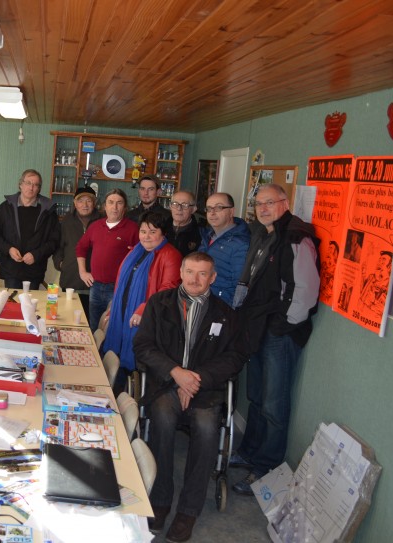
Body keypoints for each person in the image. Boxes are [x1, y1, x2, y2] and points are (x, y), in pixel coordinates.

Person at [134, 252, 246, 542]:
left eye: (203, 273)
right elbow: (143, 346)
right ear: (181, 273)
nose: (195, 279)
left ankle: (188, 510)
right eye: (190, 272)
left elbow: (235, 357)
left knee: (208, 429)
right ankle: (160, 499)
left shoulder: (226, 314)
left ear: (213, 278)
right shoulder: (159, 304)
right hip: (165, 385)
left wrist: (196, 379)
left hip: (205, 390)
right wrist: (176, 374)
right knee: (161, 419)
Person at [230, 183, 320, 495]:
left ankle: (265, 467)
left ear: (286, 203)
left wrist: (280, 327)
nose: (264, 208)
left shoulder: (295, 237)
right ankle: (249, 452)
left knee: (273, 403)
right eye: (259, 203)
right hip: (257, 328)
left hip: (279, 334)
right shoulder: (262, 233)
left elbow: (305, 291)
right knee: (256, 395)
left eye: (270, 202)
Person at [101, 210, 182, 394]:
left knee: (133, 365)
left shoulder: (170, 255)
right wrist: (114, 307)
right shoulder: (136, 251)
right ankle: (116, 393)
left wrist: (143, 308)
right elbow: (123, 283)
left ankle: (126, 398)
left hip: (147, 319)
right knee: (118, 361)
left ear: (164, 233)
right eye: (143, 231)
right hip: (123, 314)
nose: (146, 236)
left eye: (153, 232)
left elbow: (168, 290)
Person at [75, 188, 139, 330]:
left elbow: (141, 258)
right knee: (94, 327)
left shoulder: (133, 229)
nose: (114, 207)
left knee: (112, 328)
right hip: (95, 286)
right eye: (111, 202)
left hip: (118, 288)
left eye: (119, 203)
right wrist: (82, 272)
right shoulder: (95, 226)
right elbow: (80, 248)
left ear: (125, 207)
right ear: (105, 206)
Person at [0, 169, 60, 289]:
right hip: (11, 269)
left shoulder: (48, 211)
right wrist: (8, 249)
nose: (31, 188)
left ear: (39, 188)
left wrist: (36, 255)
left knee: (31, 301)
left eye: (36, 185)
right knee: (12, 300)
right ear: (20, 184)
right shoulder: (5, 208)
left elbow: (54, 241)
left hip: (34, 269)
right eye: (28, 183)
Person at [52, 186, 102, 317]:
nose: (85, 205)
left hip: (94, 282)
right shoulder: (66, 221)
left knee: (91, 321)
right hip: (70, 279)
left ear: (94, 203)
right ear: (75, 203)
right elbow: (58, 246)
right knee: (69, 317)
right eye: (80, 201)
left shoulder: (103, 221)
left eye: (89, 201)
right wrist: (60, 264)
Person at [199, 192, 250, 306]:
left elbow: (239, 287)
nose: (212, 213)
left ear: (231, 212)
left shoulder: (240, 244)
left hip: (221, 307)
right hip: (202, 302)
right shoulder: (207, 236)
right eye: (209, 208)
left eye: (219, 208)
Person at [165, 190, 202, 257]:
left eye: (185, 205)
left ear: (193, 209)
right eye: (175, 204)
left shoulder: (200, 234)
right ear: (170, 206)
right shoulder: (160, 228)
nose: (179, 208)